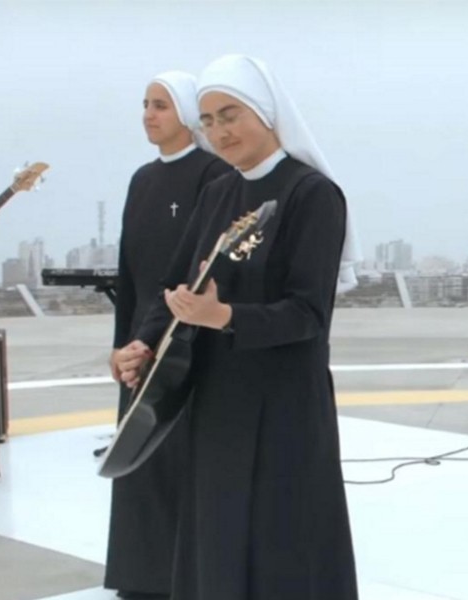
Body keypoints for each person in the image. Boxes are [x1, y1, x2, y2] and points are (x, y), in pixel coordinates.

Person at [115, 54, 360, 599]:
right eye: (208, 121)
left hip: (283, 403)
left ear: (266, 112)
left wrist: (224, 317)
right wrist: (143, 341)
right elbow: (175, 283)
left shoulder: (312, 194)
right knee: (218, 530)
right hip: (218, 397)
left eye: (231, 115)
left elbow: (309, 315)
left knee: (283, 538)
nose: (219, 132)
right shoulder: (219, 192)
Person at [105, 71, 229, 600]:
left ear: (185, 113)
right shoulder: (142, 180)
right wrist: (123, 342)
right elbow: (130, 275)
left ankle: (188, 578)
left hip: (187, 343)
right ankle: (141, 577)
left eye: (160, 105)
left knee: (182, 462)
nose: (148, 114)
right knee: (139, 461)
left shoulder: (214, 176)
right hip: (140, 342)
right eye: (145, 104)